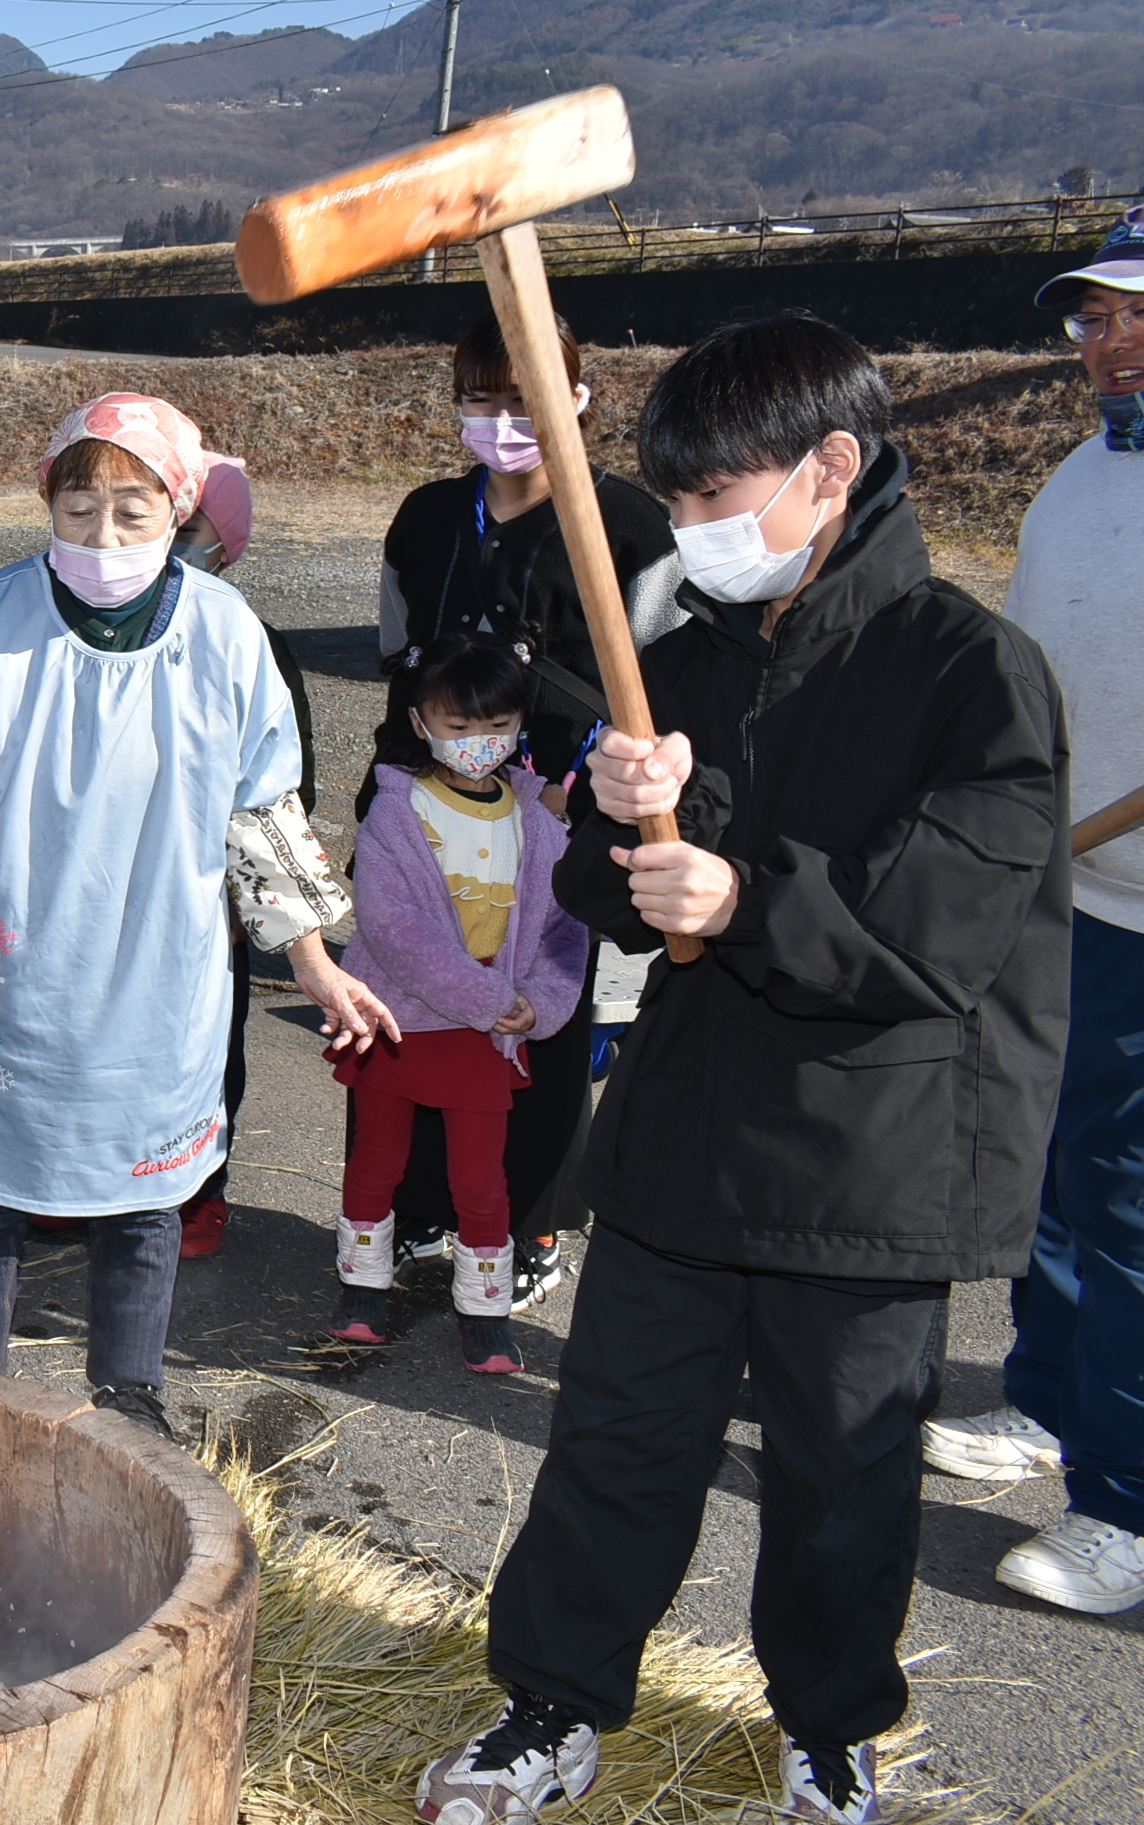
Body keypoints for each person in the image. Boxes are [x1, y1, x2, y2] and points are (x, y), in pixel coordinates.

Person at [418, 318, 1069, 1825]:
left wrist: (738, 894)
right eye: (682, 502)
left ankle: (830, 1731)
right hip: (684, 1143)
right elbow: (599, 882)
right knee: (616, 1445)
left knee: (842, 1482)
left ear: (831, 469)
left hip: (872, 1162)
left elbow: (942, 930)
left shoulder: (973, 670)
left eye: (721, 499)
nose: (697, 532)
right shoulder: (686, 655)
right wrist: (631, 814)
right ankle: (554, 1702)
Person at [0, 394, 392, 1437]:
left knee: (144, 1192)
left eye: (132, 511)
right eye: (78, 507)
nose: (101, 535)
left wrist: (315, 960)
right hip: (2, 958)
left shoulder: (227, 633)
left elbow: (260, 805)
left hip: (157, 966)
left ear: (179, 509)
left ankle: (130, 1388)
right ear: (45, 502)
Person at [919, 206, 1144, 1615]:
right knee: (1054, 1168)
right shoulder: (1079, 477)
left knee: (1127, 1205)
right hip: (1071, 891)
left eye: (1135, 311)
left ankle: (1126, 1509)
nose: (1110, 340)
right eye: (1094, 316)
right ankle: (1056, 1407)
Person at [374, 316, 681, 1311]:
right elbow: (392, 654)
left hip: (554, 815)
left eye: (526, 399)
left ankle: (529, 1218)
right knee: (417, 999)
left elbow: (660, 677)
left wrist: (589, 789)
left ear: (577, 399)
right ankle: (419, 1200)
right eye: (482, 398)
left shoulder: (625, 526)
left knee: (539, 1021)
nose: (503, 420)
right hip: (428, 808)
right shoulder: (424, 519)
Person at [326, 637, 586, 1373]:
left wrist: (542, 1002)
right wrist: (493, 998)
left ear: (519, 725)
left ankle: (485, 1308)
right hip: (402, 1020)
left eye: (496, 726)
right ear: (421, 722)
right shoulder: (397, 813)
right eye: (459, 726)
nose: (479, 744)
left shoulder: (538, 822)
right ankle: (362, 1287)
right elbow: (392, 927)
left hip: (489, 1028)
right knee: (378, 1159)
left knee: (482, 1178)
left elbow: (566, 927)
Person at [176, 466, 318, 1260]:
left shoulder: (254, 644)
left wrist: (249, 898)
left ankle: (200, 1189)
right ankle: (86, 1180)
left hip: (210, 895)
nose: (168, 546)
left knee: (209, 1045)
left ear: (226, 549)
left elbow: (284, 786)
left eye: (191, 532)